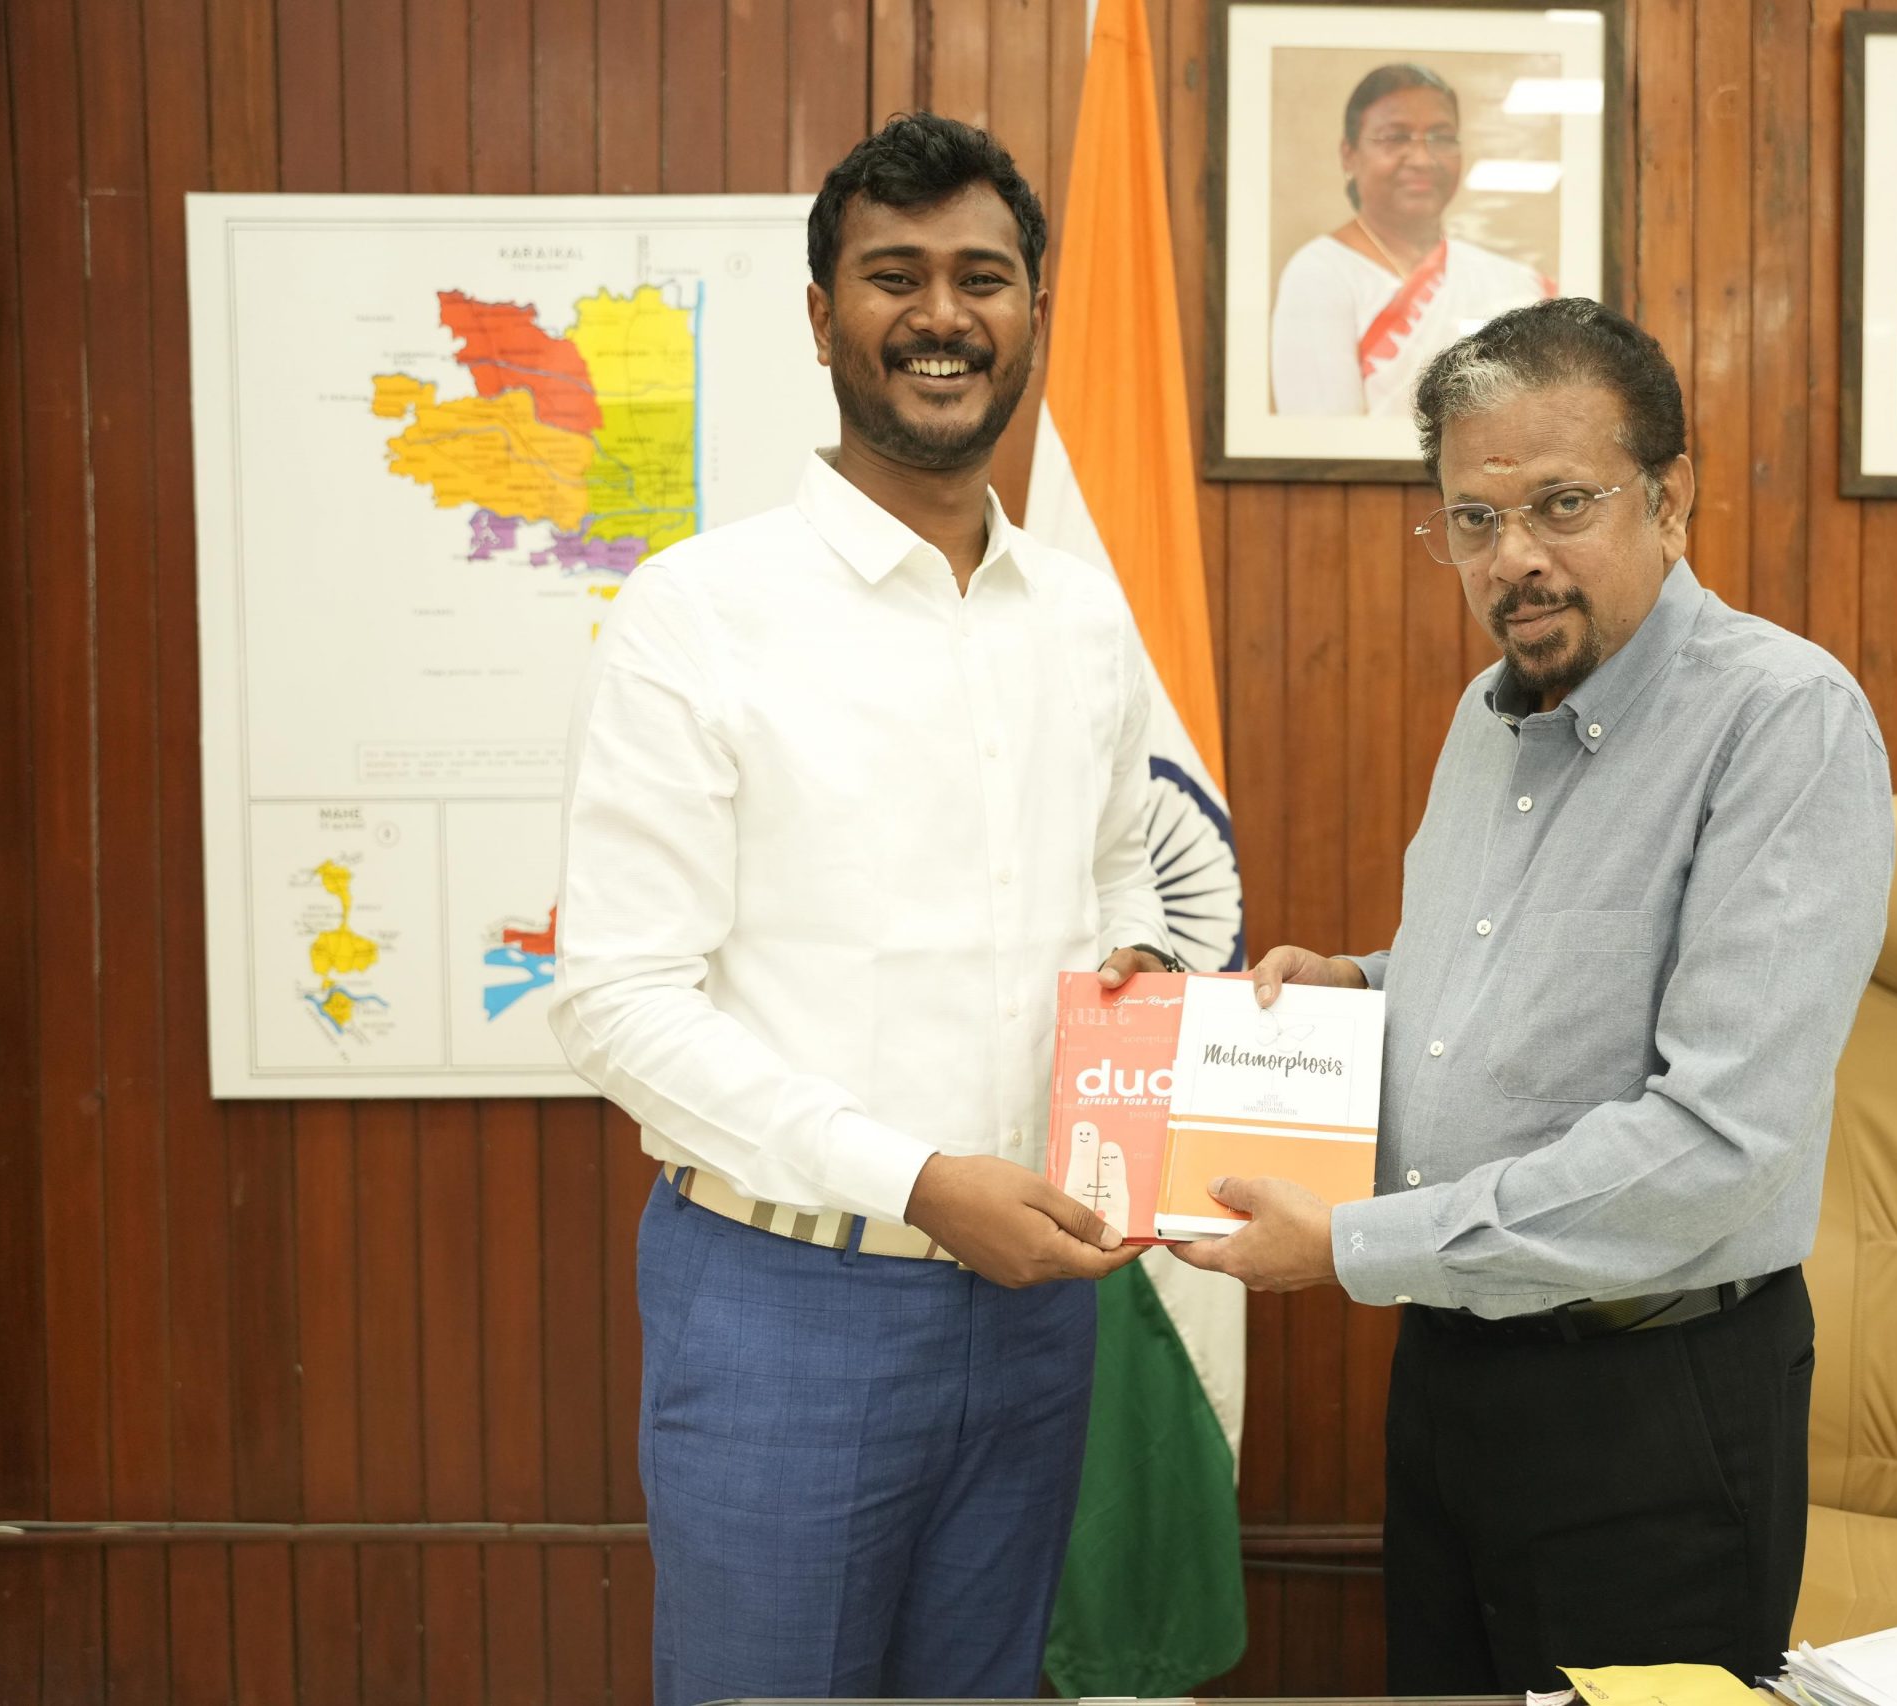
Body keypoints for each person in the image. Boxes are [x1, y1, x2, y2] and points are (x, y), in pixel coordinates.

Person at [549, 113, 1182, 1706]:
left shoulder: (1085, 621)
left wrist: (1147, 982)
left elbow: (1121, 874)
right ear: (823, 314)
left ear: (1033, 309)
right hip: (784, 1305)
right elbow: (618, 999)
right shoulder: (700, 613)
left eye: (982, 276)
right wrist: (913, 1179)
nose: (942, 315)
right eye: (893, 275)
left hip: (1037, 1303)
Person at [1176, 298, 1895, 1690]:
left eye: (1562, 504)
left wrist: (1355, 1246)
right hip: (1455, 1374)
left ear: (1672, 494)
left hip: (1655, 1403)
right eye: (1472, 520)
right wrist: (1358, 990)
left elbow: (1711, 1144)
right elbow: (1496, 990)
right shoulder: (1485, 714)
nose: (1516, 560)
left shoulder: (1783, 722)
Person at [1270, 62, 1554, 416]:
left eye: (1441, 137)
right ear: (1350, 155)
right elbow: (1323, 438)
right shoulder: (1320, 274)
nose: (1422, 158)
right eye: (1395, 137)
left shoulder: (1511, 282)